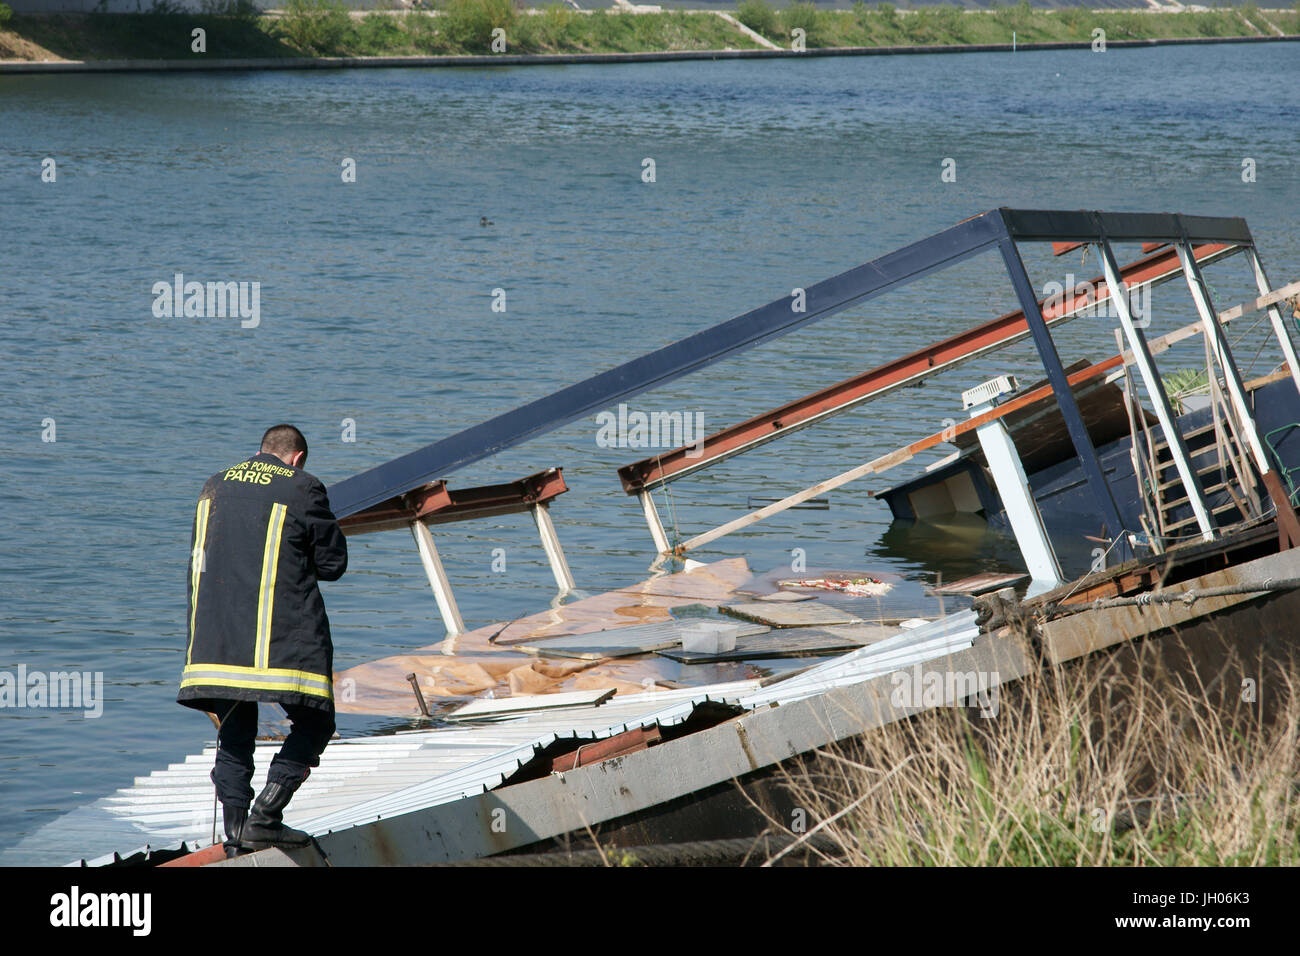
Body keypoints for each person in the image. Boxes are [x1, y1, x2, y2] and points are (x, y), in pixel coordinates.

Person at [178, 424, 348, 856]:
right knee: (315, 722)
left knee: (236, 729)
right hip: (278, 640)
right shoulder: (304, 487)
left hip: (212, 639)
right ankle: (265, 819)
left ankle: (236, 837)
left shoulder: (214, 485)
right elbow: (332, 564)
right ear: (297, 458)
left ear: (260, 451)